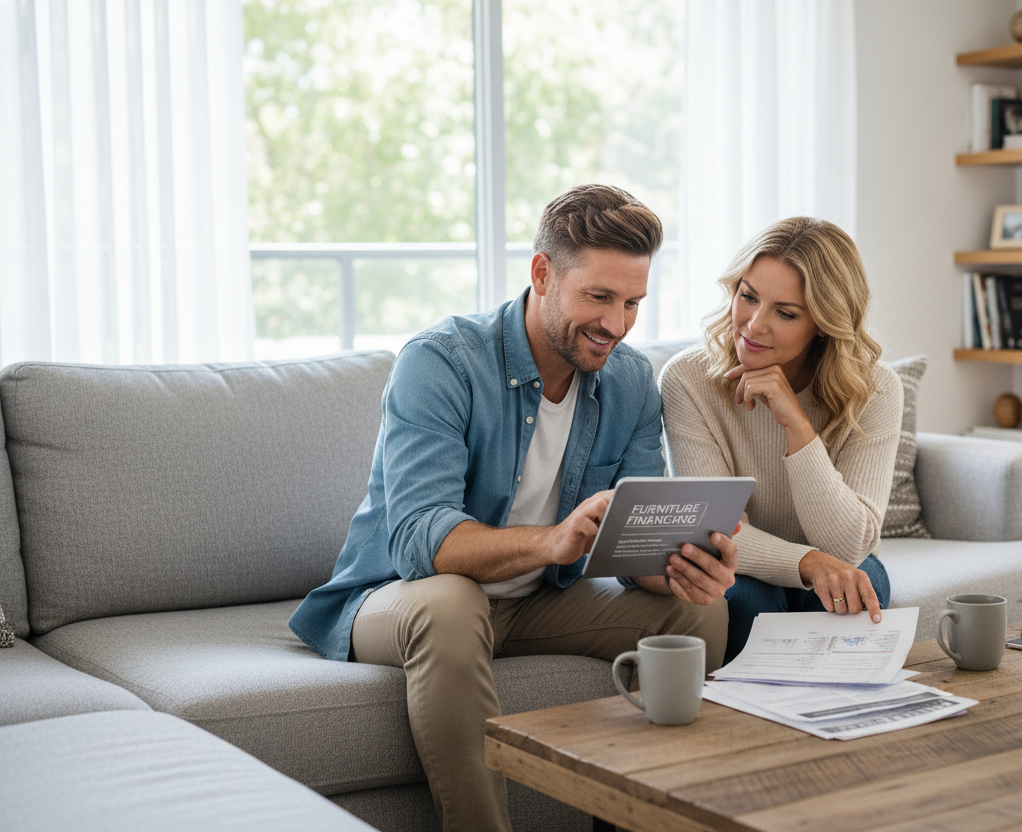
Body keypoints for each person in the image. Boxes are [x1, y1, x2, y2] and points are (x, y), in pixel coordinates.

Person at [288, 185, 737, 832]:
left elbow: (636, 548)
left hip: (539, 600)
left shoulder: (632, 381)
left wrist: (684, 562)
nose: (617, 323)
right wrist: (551, 542)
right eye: (599, 297)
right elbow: (422, 540)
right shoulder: (441, 362)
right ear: (542, 274)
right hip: (400, 595)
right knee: (451, 601)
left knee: (698, 609)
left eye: (633, 302)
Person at [659, 216, 901, 662]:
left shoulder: (878, 389)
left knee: (861, 581)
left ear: (825, 324)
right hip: (743, 569)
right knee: (748, 600)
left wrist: (797, 424)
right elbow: (716, 533)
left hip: (840, 562)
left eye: (785, 313)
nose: (753, 325)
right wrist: (806, 563)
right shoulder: (688, 379)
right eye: (747, 296)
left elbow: (849, 547)